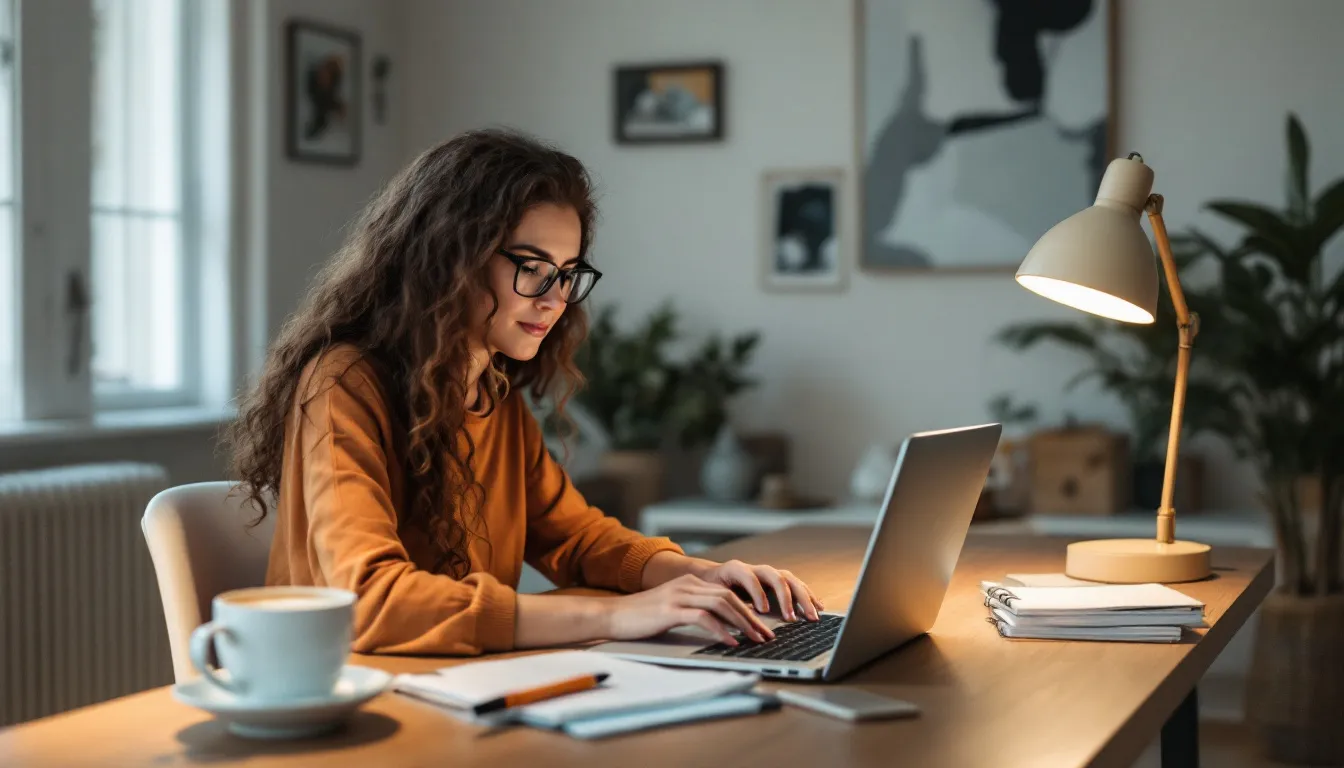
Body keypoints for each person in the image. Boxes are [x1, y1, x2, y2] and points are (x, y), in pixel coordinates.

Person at [226, 128, 823, 655]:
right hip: (353, 692)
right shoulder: (343, 385)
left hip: (459, 685)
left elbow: (577, 538)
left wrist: (700, 575)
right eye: (532, 267)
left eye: (566, 273)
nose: (555, 299)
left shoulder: (494, 394)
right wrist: (616, 616)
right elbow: (371, 600)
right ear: (451, 258)